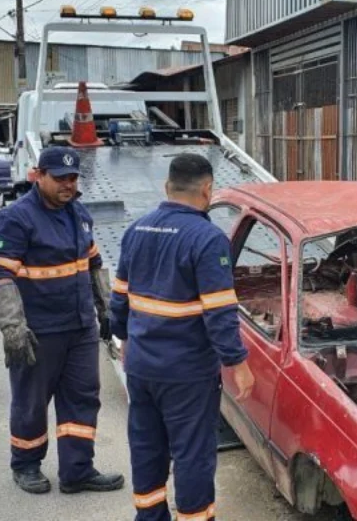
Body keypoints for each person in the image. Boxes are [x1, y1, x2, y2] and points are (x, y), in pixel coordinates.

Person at [110, 153, 255, 521]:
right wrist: (237, 362)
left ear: (166, 187)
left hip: (141, 367)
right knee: (192, 453)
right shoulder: (208, 239)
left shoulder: (136, 230)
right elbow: (220, 312)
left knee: (147, 447)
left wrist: (124, 338)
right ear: (208, 191)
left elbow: (120, 295)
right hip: (186, 373)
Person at [0, 146, 124, 495]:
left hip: (79, 328)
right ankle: (26, 464)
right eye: (60, 178)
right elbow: (0, 277)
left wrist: (105, 307)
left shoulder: (78, 212)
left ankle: (77, 470)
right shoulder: (15, 218)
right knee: (31, 403)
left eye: (73, 178)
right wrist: (12, 327)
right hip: (38, 330)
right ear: (38, 175)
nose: (68, 184)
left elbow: (93, 264)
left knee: (82, 399)